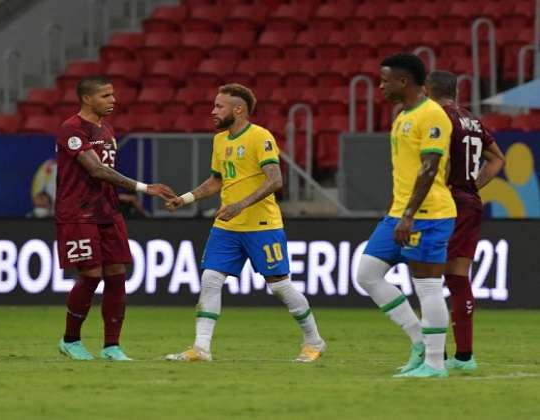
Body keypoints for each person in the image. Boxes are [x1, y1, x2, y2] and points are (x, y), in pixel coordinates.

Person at [164, 83, 325, 363]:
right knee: (210, 280)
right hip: (227, 227)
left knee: (279, 286)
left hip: (262, 224)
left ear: (238, 110)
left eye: (219, 106)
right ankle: (201, 348)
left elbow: (275, 180)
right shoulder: (220, 140)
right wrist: (186, 198)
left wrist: (239, 205)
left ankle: (314, 342)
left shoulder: (260, 137)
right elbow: (217, 180)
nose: (213, 111)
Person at [54, 75, 175, 361]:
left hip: (107, 211)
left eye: (112, 95)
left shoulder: (106, 128)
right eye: (106, 96)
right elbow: (96, 171)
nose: (113, 100)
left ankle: (112, 346)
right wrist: (145, 188)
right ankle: (70, 340)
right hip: (78, 213)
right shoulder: (71, 128)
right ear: (87, 98)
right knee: (91, 275)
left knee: (117, 275)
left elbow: (103, 177)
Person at [356, 53, 455, 378]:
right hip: (399, 213)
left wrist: (409, 214)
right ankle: (418, 341)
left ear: (404, 81)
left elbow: (429, 169)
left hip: (428, 215)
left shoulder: (432, 115)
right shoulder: (402, 116)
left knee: (427, 285)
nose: (380, 86)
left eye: (385, 80)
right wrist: (396, 211)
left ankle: (435, 364)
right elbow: (405, 170)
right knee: (367, 273)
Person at [425, 70, 505, 371]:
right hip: (470, 203)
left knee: (428, 273)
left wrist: (446, 188)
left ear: (429, 91)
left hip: (446, 203)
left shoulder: (438, 119)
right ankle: (464, 356)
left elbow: (435, 160)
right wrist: (473, 185)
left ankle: (436, 354)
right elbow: (498, 158)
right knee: (458, 277)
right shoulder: (472, 120)